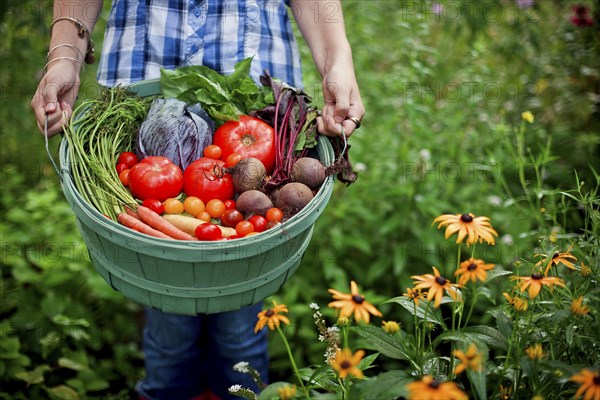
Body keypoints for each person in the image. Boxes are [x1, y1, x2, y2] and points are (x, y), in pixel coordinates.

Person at [31, 1, 365, 399]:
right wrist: (64, 54)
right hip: (143, 86)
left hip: (254, 91)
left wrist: (338, 60)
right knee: (165, 311)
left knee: (241, 322)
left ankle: (238, 390)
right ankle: (168, 387)